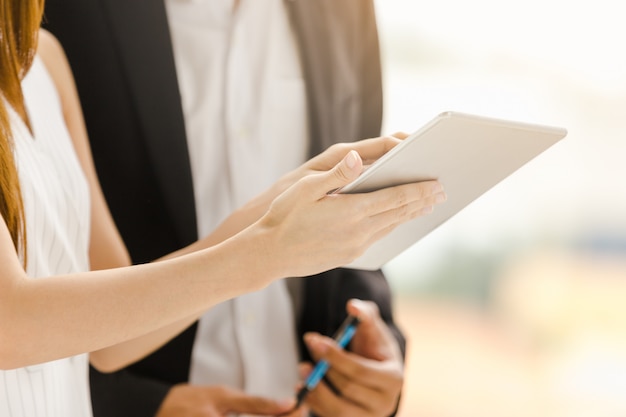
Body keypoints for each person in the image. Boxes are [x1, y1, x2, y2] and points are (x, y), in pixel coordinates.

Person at [0, 1, 447, 417]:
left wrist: (277, 205)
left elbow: (113, 338)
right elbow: (9, 323)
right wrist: (268, 251)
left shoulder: (46, 61)